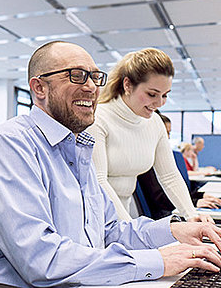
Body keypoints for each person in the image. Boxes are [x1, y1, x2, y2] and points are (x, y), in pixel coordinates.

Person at [0, 41, 221, 288]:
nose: (91, 87)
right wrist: (159, 261)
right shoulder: (10, 146)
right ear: (39, 87)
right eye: (77, 76)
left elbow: (111, 231)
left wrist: (174, 231)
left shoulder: (78, 148)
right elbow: (43, 261)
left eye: (95, 76)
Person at [86, 48, 210, 222]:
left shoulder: (154, 123)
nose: (159, 103)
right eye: (152, 94)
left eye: (165, 95)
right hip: (94, 217)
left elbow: (169, 176)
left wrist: (191, 216)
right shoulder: (97, 118)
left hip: (125, 216)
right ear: (127, 85)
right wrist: (130, 231)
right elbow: (98, 182)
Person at [137, 116, 221, 220]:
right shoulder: (146, 162)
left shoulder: (162, 158)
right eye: (166, 133)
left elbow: (177, 189)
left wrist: (201, 195)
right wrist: (195, 202)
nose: (168, 138)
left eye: (169, 133)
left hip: (172, 211)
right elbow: (160, 199)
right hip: (163, 216)